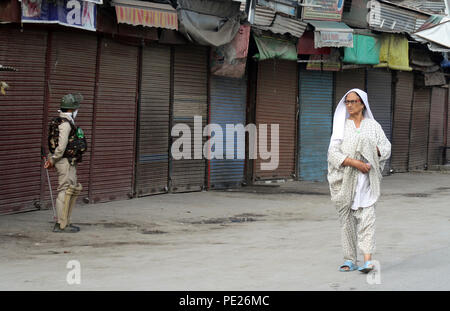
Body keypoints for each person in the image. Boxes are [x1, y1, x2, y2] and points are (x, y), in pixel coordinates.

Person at [327, 88, 391, 273]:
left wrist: (372, 151)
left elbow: (386, 147)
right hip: (345, 180)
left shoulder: (373, 126)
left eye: (353, 101)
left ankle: (368, 260)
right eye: (347, 102)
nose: (349, 105)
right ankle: (349, 260)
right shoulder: (341, 126)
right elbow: (332, 153)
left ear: (362, 104)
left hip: (367, 181)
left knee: (367, 219)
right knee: (346, 222)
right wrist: (354, 162)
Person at [44, 93, 86, 233]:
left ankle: (65, 222)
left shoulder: (59, 121)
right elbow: (60, 147)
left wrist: (52, 159)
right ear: (71, 109)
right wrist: (52, 159)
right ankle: (60, 224)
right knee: (64, 190)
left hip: (65, 161)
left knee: (70, 189)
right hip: (64, 162)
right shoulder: (65, 124)